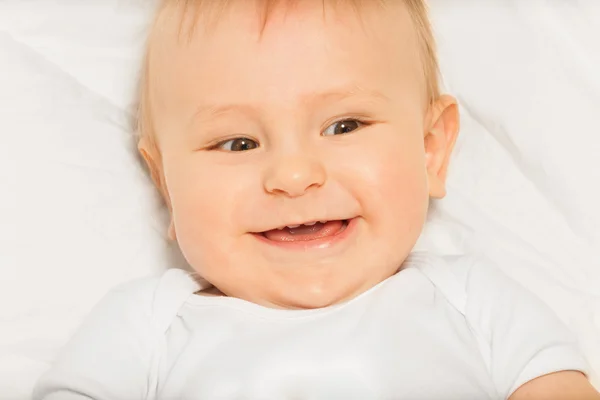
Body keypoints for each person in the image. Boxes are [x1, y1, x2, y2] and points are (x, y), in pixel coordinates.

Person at [33, 0, 599, 398]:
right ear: (166, 186)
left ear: (430, 150)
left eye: (344, 126)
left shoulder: (476, 301)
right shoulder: (147, 325)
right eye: (237, 142)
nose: (294, 174)